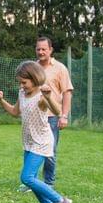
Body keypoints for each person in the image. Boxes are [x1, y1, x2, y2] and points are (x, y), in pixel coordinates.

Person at [0, 61, 72, 203]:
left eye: (24, 82)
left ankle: (60, 201)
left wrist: (50, 97)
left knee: (27, 178)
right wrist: (1, 100)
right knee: (32, 179)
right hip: (29, 142)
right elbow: (15, 112)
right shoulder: (22, 93)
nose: (21, 86)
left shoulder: (42, 96)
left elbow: (57, 112)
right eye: (20, 82)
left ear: (35, 79)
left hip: (42, 142)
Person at [31, 36, 74, 189]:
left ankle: (48, 183)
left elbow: (67, 92)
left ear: (50, 50)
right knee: (32, 149)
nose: (41, 52)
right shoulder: (32, 68)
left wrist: (64, 115)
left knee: (50, 151)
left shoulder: (60, 68)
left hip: (52, 117)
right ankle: (31, 182)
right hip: (35, 116)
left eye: (44, 49)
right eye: (38, 49)